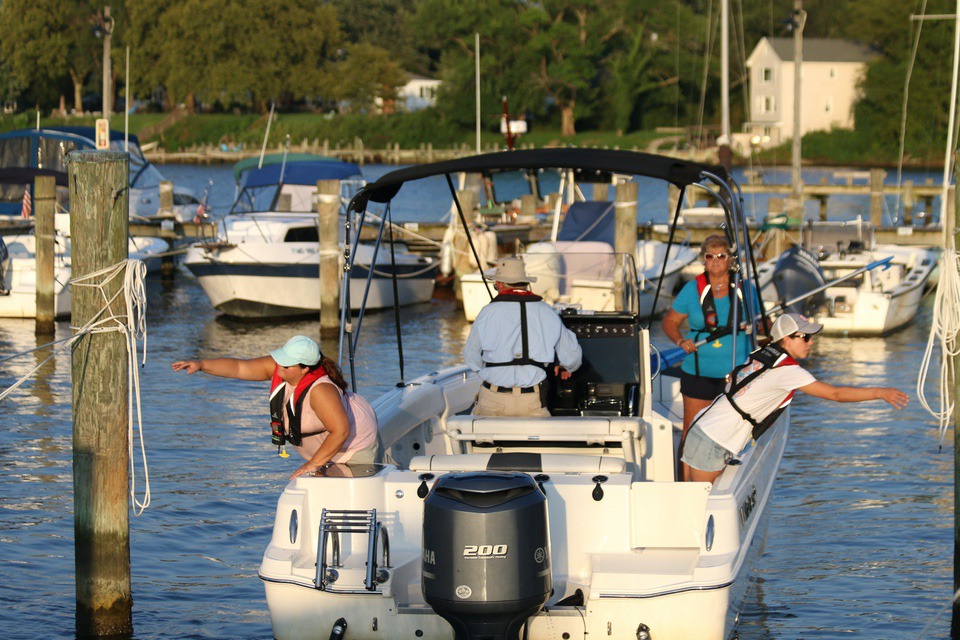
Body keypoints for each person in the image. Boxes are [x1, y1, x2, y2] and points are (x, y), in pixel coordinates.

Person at [682, 313, 909, 484]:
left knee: (694, 504)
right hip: (715, 440)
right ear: (787, 340)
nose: (811, 343)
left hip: (702, 426)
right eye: (806, 337)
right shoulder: (789, 372)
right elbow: (835, 394)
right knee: (700, 510)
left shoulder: (761, 354)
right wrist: (879, 392)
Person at [171, 335, 378, 479]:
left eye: (286, 365)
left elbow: (340, 431)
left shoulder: (321, 391)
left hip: (353, 448)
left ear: (305, 368)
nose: (279, 367)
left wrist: (313, 464)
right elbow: (239, 367)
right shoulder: (283, 369)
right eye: (280, 360)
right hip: (324, 450)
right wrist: (202, 365)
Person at [661, 235, 761, 459]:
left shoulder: (746, 289)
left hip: (736, 373)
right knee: (693, 429)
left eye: (721, 256)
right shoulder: (691, 289)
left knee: (730, 431)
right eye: (710, 256)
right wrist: (680, 341)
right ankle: (686, 480)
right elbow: (669, 322)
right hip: (698, 373)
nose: (715, 261)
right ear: (703, 260)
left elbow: (762, 323)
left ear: (730, 260)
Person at [463, 256, 582, 417]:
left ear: (499, 284)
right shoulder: (548, 312)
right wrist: (565, 367)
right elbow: (573, 357)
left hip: (493, 399)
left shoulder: (487, 313)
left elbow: (471, 357)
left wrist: (491, 372)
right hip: (532, 401)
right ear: (525, 284)